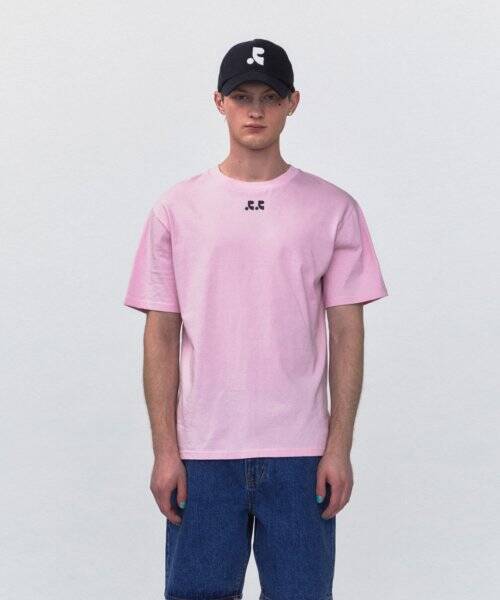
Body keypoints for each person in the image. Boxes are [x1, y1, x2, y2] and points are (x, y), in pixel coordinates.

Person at [123, 38, 388, 600]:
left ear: (293, 102)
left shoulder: (333, 207)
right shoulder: (176, 209)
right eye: (242, 96)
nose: (256, 110)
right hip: (202, 452)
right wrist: (166, 451)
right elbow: (161, 334)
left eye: (270, 97)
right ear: (219, 102)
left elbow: (347, 332)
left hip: (301, 453)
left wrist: (338, 446)